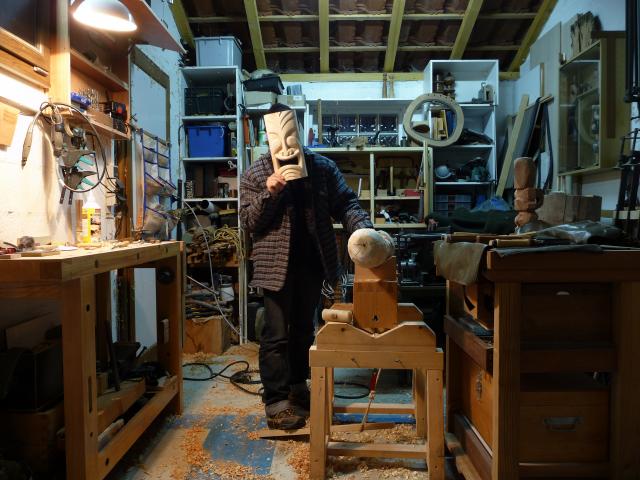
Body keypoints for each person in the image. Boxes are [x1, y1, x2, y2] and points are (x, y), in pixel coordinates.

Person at [240, 106, 372, 430]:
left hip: (313, 260)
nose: (287, 145)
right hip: (274, 266)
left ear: (299, 131)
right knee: (275, 334)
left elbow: (346, 203)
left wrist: (364, 230)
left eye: (292, 135)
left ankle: (298, 389)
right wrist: (270, 193)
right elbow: (249, 221)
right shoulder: (256, 173)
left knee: (303, 329)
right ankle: (276, 402)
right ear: (268, 136)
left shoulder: (321, 167)